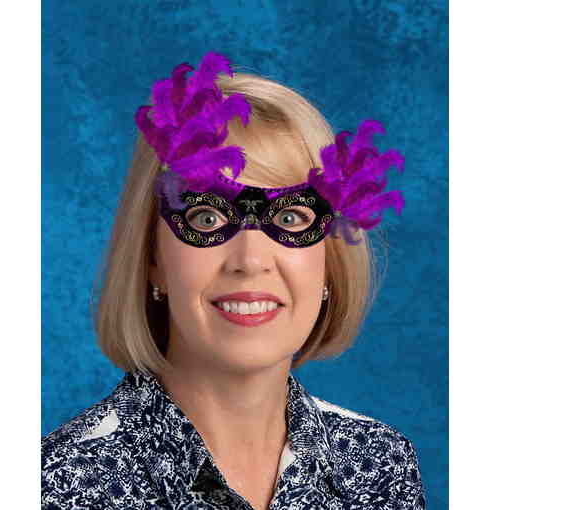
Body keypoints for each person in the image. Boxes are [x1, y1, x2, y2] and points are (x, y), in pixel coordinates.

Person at [42, 51, 426, 510]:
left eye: (290, 216)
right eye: (207, 217)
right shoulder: (62, 486)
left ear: (330, 262)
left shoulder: (380, 464)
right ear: (152, 260)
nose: (250, 260)